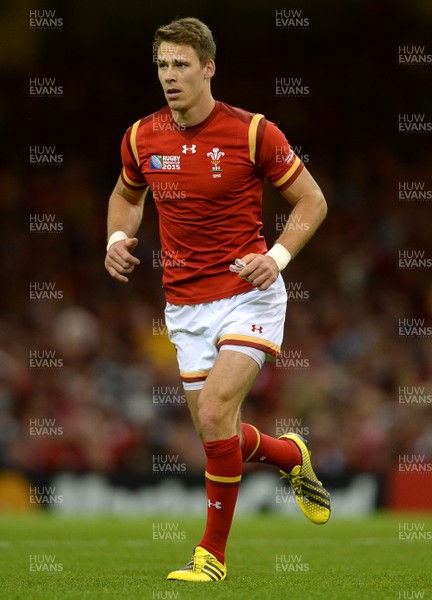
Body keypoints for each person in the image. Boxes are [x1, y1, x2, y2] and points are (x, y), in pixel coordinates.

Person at [105, 17, 330, 582]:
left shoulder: (254, 132)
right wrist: (115, 237)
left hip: (248, 293)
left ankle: (212, 557)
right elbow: (125, 195)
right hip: (184, 306)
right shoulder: (140, 136)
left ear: (209, 67)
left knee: (213, 413)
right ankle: (288, 456)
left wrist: (274, 259)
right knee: (217, 434)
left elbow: (312, 201)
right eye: (161, 64)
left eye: (181, 64)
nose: (169, 76)